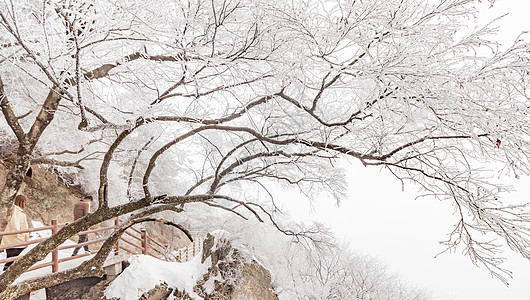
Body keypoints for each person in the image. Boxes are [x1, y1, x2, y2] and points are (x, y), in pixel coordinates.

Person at [1, 195, 30, 271]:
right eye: (24, 202)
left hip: (16, 236)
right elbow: (14, 223)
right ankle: (7, 269)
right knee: (12, 253)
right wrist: (18, 233)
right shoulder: (15, 211)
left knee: (14, 253)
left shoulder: (18, 210)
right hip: (14, 236)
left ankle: (8, 268)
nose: (25, 203)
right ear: (21, 202)